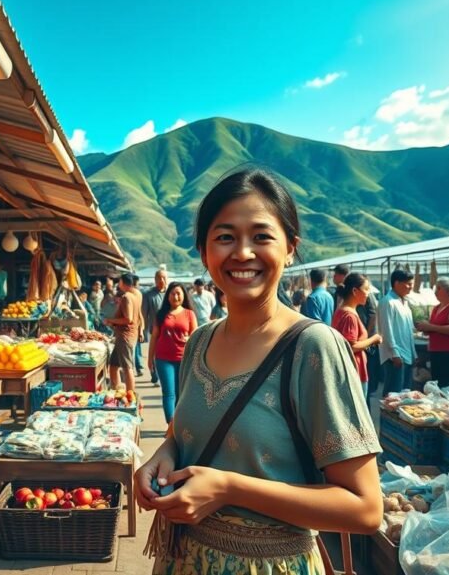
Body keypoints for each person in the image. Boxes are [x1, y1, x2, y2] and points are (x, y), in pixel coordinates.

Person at [136, 168, 382, 574]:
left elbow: (365, 508)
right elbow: (181, 434)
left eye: (262, 236)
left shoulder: (312, 348)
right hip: (183, 560)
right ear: (204, 252)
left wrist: (230, 488)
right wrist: (160, 457)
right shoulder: (200, 341)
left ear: (290, 248)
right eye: (225, 237)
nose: (243, 253)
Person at [149, 282, 198, 423]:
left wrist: (188, 338)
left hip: (184, 359)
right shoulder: (161, 314)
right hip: (163, 359)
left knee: (181, 394)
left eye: (178, 293)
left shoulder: (190, 314)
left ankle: (178, 424)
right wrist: (150, 358)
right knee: (168, 393)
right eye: (172, 293)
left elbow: (195, 335)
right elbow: (154, 337)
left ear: (183, 295)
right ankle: (171, 425)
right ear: (168, 295)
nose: (175, 296)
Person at [416, 277, 449, 391]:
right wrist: (425, 328)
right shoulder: (436, 308)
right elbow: (435, 328)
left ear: (448, 290)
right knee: (438, 384)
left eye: (438, 288)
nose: (435, 292)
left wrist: (431, 327)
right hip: (436, 351)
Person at [333, 273, 382, 385]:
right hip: (353, 370)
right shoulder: (349, 316)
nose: (368, 293)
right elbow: (351, 346)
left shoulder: (341, 311)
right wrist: (374, 339)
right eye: (366, 289)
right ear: (355, 291)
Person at [378, 270, 417, 395]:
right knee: (392, 395)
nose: (411, 287)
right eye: (408, 284)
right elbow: (386, 329)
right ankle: (383, 416)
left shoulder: (405, 302)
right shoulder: (387, 302)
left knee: (403, 395)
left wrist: (413, 353)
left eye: (411, 284)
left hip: (406, 355)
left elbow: (408, 332)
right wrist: (394, 353)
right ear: (397, 283)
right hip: (395, 356)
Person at [105, 273, 141, 392]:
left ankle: (130, 395)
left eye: (119, 281)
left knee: (127, 368)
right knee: (113, 366)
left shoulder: (127, 297)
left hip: (126, 337)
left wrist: (111, 320)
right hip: (125, 336)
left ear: (122, 282)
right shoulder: (135, 295)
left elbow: (128, 319)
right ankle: (117, 389)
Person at [142, 270, 169, 385]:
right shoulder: (149, 295)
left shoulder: (171, 294)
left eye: (164, 277)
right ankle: (155, 375)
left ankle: (165, 375)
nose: (161, 280)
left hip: (170, 331)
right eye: (159, 278)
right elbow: (144, 313)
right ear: (155, 279)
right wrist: (142, 330)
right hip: (155, 331)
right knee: (155, 354)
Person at [131, 276, 146, 375]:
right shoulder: (137, 294)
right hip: (137, 326)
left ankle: (136, 368)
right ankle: (138, 367)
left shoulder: (134, 294)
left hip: (134, 326)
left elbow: (139, 313)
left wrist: (140, 330)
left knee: (135, 349)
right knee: (136, 349)